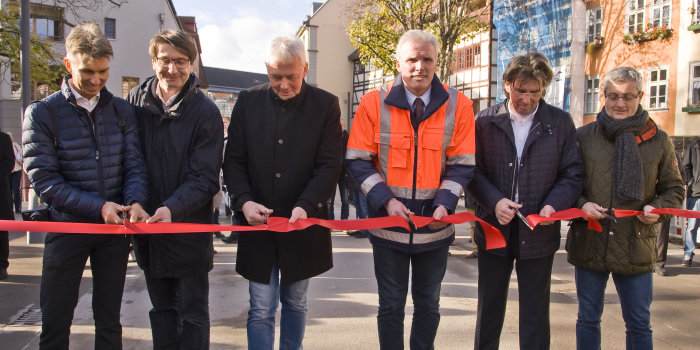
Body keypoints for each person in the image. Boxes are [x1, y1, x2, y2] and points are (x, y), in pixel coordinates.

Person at [346, 29, 476, 349]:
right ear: (398, 62)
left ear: (437, 62)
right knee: (390, 306)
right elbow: (358, 161)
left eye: (427, 59)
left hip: (435, 229)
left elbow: (463, 163)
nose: (420, 66)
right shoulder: (372, 102)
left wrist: (444, 204)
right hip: (389, 229)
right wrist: (387, 202)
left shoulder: (459, 105)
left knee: (428, 305)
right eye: (412, 59)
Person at [22, 23, 148, 349]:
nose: (95, 80)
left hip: (114, 234)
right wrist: (98, 207)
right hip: (68, 230)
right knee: (55, 320)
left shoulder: (123, 112)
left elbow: (134, 165)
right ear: (68, 65)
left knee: (109, 321)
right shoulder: (42, 114)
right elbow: (44, 180)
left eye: (103, 72)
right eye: (87, 71)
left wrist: (134, 200)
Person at [222, 35, 341, 349]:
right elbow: (233, 160)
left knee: (296, 302)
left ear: (305, 67)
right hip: (256, 225)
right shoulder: (247, 102)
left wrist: (306, 204)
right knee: (260, 307)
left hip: (302, 224)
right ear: (266, 70)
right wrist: (243, 201)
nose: (284, 84)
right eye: (276, 77)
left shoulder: (326, 104)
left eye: (292, 76)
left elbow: (329, 165)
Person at [467, 52, 584, 349]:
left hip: (538, 231)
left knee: (535, 310)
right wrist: (494, 201)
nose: (528, 99)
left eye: (535, 92)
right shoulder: (484, 121)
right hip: (494, 228)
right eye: (521, 90)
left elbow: (572, 173)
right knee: (489, 307)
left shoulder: (559, 122)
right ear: (507, 85)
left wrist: (552, 206)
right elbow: (471, 171)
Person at [566, 66, 684, 349]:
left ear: (640, 96)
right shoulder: (583, 137)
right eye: (614, 96)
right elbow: (567, 185)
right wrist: (582, 204)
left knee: (639, 324)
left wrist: (656, 207)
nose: (620, 103)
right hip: (590, 241)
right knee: (588, 319)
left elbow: (675, 190)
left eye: (629, 97)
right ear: (603, 96)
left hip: (637, 244)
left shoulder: (659, 139)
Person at [127, 29, 223, 349]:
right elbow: (131, 162)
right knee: (162, 310)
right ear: (153, 61)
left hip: (188, 229)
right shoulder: (135, 104)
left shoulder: (205, 112)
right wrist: (136, 202)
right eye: (165, 60)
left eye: (181, 62)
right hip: (149, 231)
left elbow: (205, 177)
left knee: (194, 313)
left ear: (192, 65)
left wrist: (171, 208)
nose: (173, 69)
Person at [329, 118, 350, 221]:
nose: (340, 127)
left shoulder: (348, 139)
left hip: (344, 175)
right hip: (332, 174)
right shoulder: (331, 138)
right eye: (339, 125)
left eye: (342, 125)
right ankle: (330, 222)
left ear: (344, 127)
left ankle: (344, 221)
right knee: (330, 201)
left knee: (345, 200)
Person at [683, 138, 700, 266]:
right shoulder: (693, 147)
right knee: (692, 226)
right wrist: (691, 182)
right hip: (695, 193)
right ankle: (688, 254)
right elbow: (685, 166)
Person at [0, 130, 14, 280]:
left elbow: (9, 162)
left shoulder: (3, 138)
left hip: (0, 194)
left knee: (1, 233)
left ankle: (1, 265)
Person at [8, 132, 23, 214]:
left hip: (17, 170)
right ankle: (10, 208)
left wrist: (19, 159)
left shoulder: (15, 145)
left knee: (15, 189)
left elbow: (22, 154)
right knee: (8, 190)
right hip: (8, 171)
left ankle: (17, 208)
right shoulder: (4, 146)